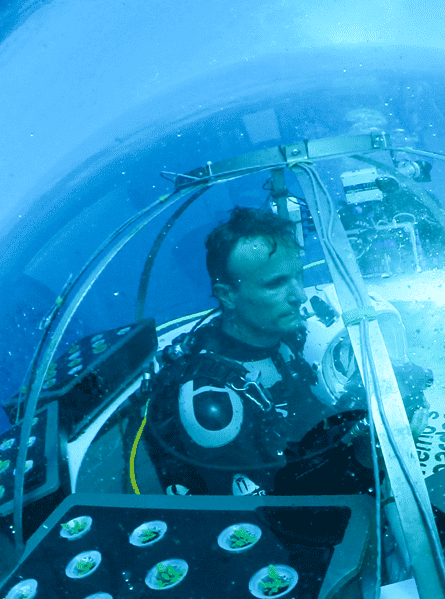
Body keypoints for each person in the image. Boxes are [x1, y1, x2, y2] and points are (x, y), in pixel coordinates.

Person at [145, 206, 423, 497]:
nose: (298, 296)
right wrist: (368, 458)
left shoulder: (282, 337)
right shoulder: (214, 407)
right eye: (276, 284)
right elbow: (268, 521)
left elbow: (307, 430)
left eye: (298, 277)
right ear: (228, 295)